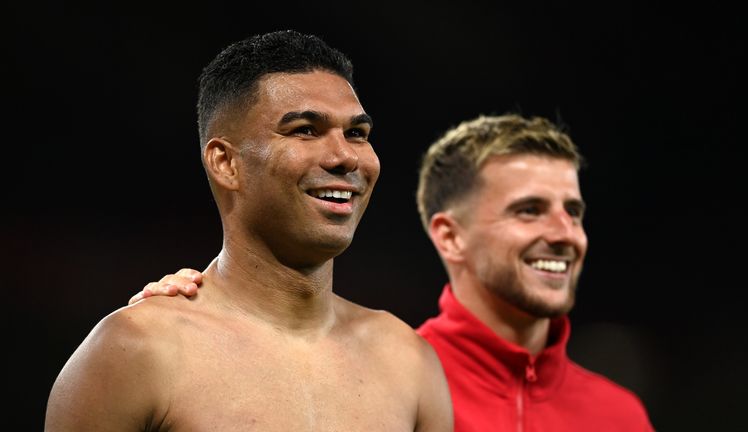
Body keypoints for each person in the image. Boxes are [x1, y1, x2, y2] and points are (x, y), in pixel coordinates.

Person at [137, 114, 655, 431]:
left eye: (575, 211)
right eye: (528, 210)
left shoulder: (621, 415)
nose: (565, 232)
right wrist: (205, 310)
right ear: (449, 236)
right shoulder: (381, 375)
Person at [44, 30, 453, 432]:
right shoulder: (137, 351)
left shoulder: (409, 362)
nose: (345, 156)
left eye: (356, 133)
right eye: (305, 130)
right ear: (225, 163)